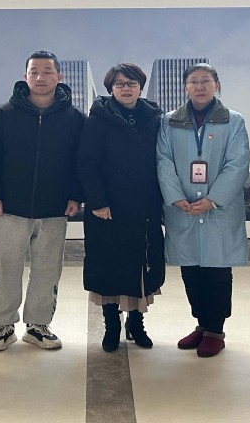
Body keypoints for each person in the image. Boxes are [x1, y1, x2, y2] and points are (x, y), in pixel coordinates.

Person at [0, 50, 85, 351]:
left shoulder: (74, 119)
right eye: (34, 71)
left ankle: (38, 325)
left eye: (47, 71)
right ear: (25, 76)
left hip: (55, 208)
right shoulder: (3, 115)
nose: (40, 77)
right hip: (11, 208)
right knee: (7, 267)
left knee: (48, 269)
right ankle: (3, 325)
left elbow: (82, 161)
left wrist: (76, 195)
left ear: (59, 76)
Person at [156, 63, 250, 358]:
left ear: (217, 85)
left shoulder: (233, 120)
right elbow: (163, 160)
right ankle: (201, 324)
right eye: (193, 81)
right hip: (183, 207)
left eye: (206, 81)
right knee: (191, 270)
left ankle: (215, 330)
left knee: (217, 270)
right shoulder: (169, 121)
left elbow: (238, 164)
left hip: (218, 208)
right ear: (185, 87)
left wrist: (213, 199)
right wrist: (175, 197)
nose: (200, 86)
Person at [78, 63, 165, 352]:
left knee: (141, 266)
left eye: (131, 83)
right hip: (108, 209)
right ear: (111, 89)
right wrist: (98, 202)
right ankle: (111, 325)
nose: (125, 88)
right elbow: (87, 163)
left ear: (141, 87)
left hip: (144, 208)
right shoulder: (98, 119)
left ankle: (136, 324)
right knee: (109, 267)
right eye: (119, 84)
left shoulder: (154, 118)